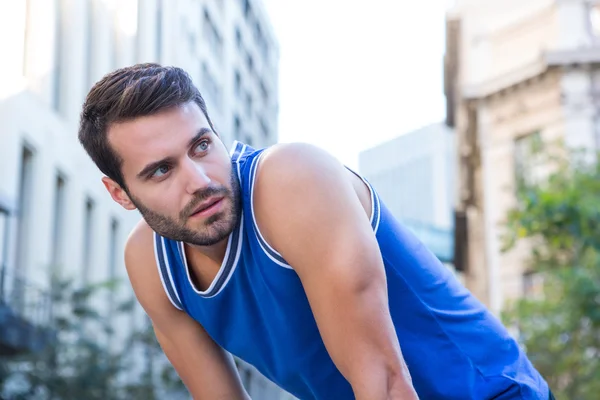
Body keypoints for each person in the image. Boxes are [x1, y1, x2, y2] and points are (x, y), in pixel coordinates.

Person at [78, 63, 551, 400]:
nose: (200, 180)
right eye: (161, 171)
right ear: (120, 194)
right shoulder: (150, 263)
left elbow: (385, 386)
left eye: (201, 146)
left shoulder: (292, 181)